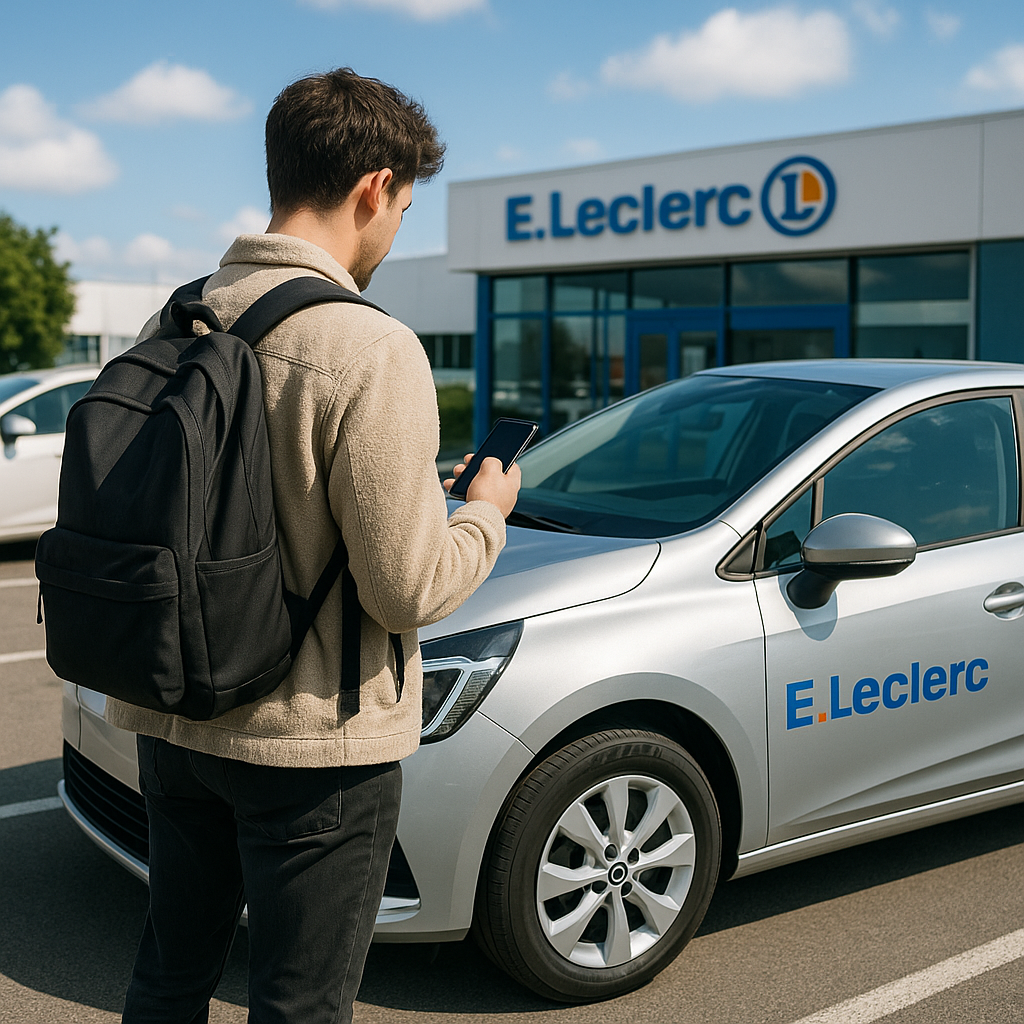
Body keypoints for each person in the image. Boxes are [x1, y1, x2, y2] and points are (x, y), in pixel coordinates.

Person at [107, 67, 519, 1024]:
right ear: (374, 186)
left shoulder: (175, 317)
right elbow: (407, 587)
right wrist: (484, 510)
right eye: (405, 207)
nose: (395, 229)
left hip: (175, 721)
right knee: (301, 1006)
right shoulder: (370, 347)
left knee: (170, 975)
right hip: (311, 750)